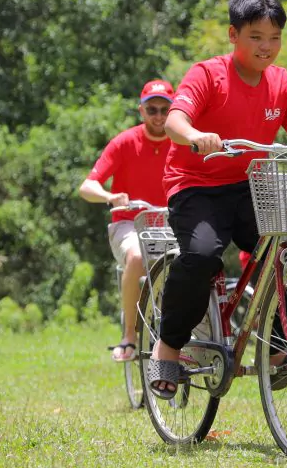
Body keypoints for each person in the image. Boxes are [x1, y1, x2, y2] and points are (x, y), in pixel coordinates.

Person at [148, 0, 287, 398]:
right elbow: (174, 122)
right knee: (201, 256)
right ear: (233, 35)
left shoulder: (280, 82)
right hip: (196, 187)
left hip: (249, 186)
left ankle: (278, 352)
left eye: (275, 38)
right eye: (256, 37)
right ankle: (168, 346)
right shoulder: (207, 74)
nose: (266, 47)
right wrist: (196, 135)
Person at [79, 79, 175, 362]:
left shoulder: (180, 142)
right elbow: (88, 186)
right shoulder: (125, 142)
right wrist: (110, 196)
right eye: (152, 109)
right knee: (136, 257)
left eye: (164, 110)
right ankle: (129, 337)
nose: (158, 116)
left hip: (171, 223)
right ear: (141, 111)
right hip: (129, 224)